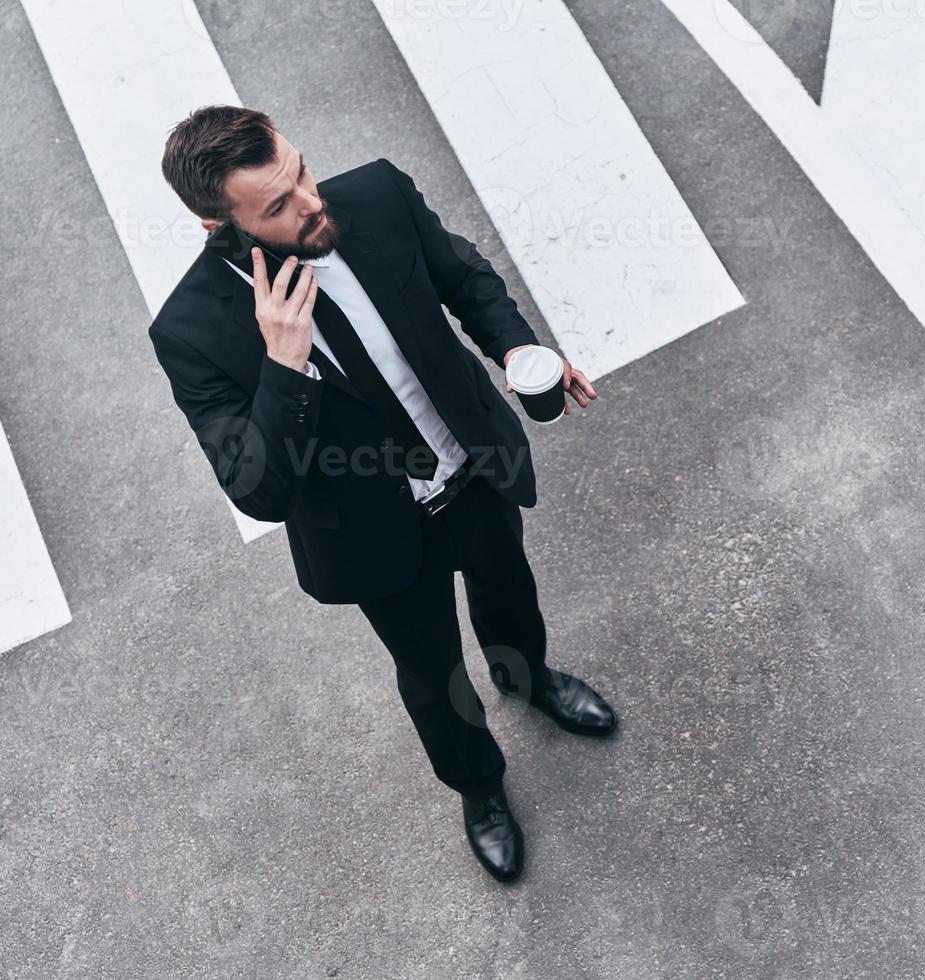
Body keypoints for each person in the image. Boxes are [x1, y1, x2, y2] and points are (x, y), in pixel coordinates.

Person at [148, 105, 616, 882]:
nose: (309, 201)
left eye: (300, 169)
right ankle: (480, 786)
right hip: (373, 534)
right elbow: (256, 489)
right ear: (214, 225)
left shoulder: (375, 195)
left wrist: (517, 345)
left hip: (470, 466)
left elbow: (462, 276)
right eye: (277, 204)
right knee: (432, 674)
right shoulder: (191, 331)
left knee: (509, 593)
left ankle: (530, 678)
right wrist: (283, 366)